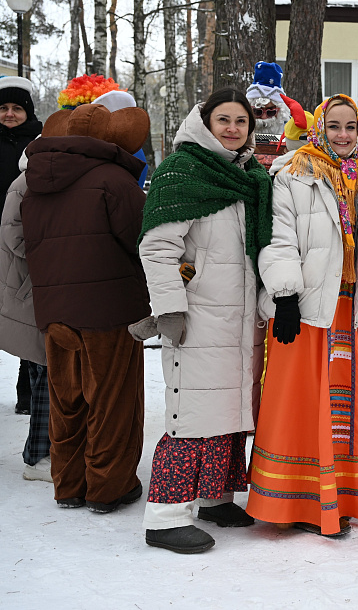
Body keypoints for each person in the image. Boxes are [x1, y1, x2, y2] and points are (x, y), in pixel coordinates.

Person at [133, 88, 272, 554]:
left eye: (241, 121)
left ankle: (215, 498)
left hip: (239, 317)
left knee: (230, 412)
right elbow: (157, 247)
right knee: (190, 416)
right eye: (223, 120)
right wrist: (170, 307)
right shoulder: (182, 171)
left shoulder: (250, 176)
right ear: (205, 122)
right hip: (196, 316)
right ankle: (166, 517)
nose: (232, 128)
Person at [246, 94, 358, 538]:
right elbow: (279, 238)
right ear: (318, 129)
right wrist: (286, 295)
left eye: (351, 127)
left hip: (346, 308)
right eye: (334, 126)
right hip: (304, 308)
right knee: (298, 402)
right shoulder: (293, 173)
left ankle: (335, 498)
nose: (343, 135)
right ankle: (290, 500)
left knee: (339, 408)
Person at [22, 101, 151, 513]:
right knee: (113, 401)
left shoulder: (35, 184)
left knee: (67, 401)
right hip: (110, 309)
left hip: (54, 310)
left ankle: (69, 486)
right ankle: (109, 487)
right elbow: (142, 241)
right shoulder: (114, 180)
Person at [0, 75, 49, 478]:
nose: (9, 114)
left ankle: (25, 395)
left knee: (25, 318)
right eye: (3, 108)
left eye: (16, 108)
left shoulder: (39, 143)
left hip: (20, 241)